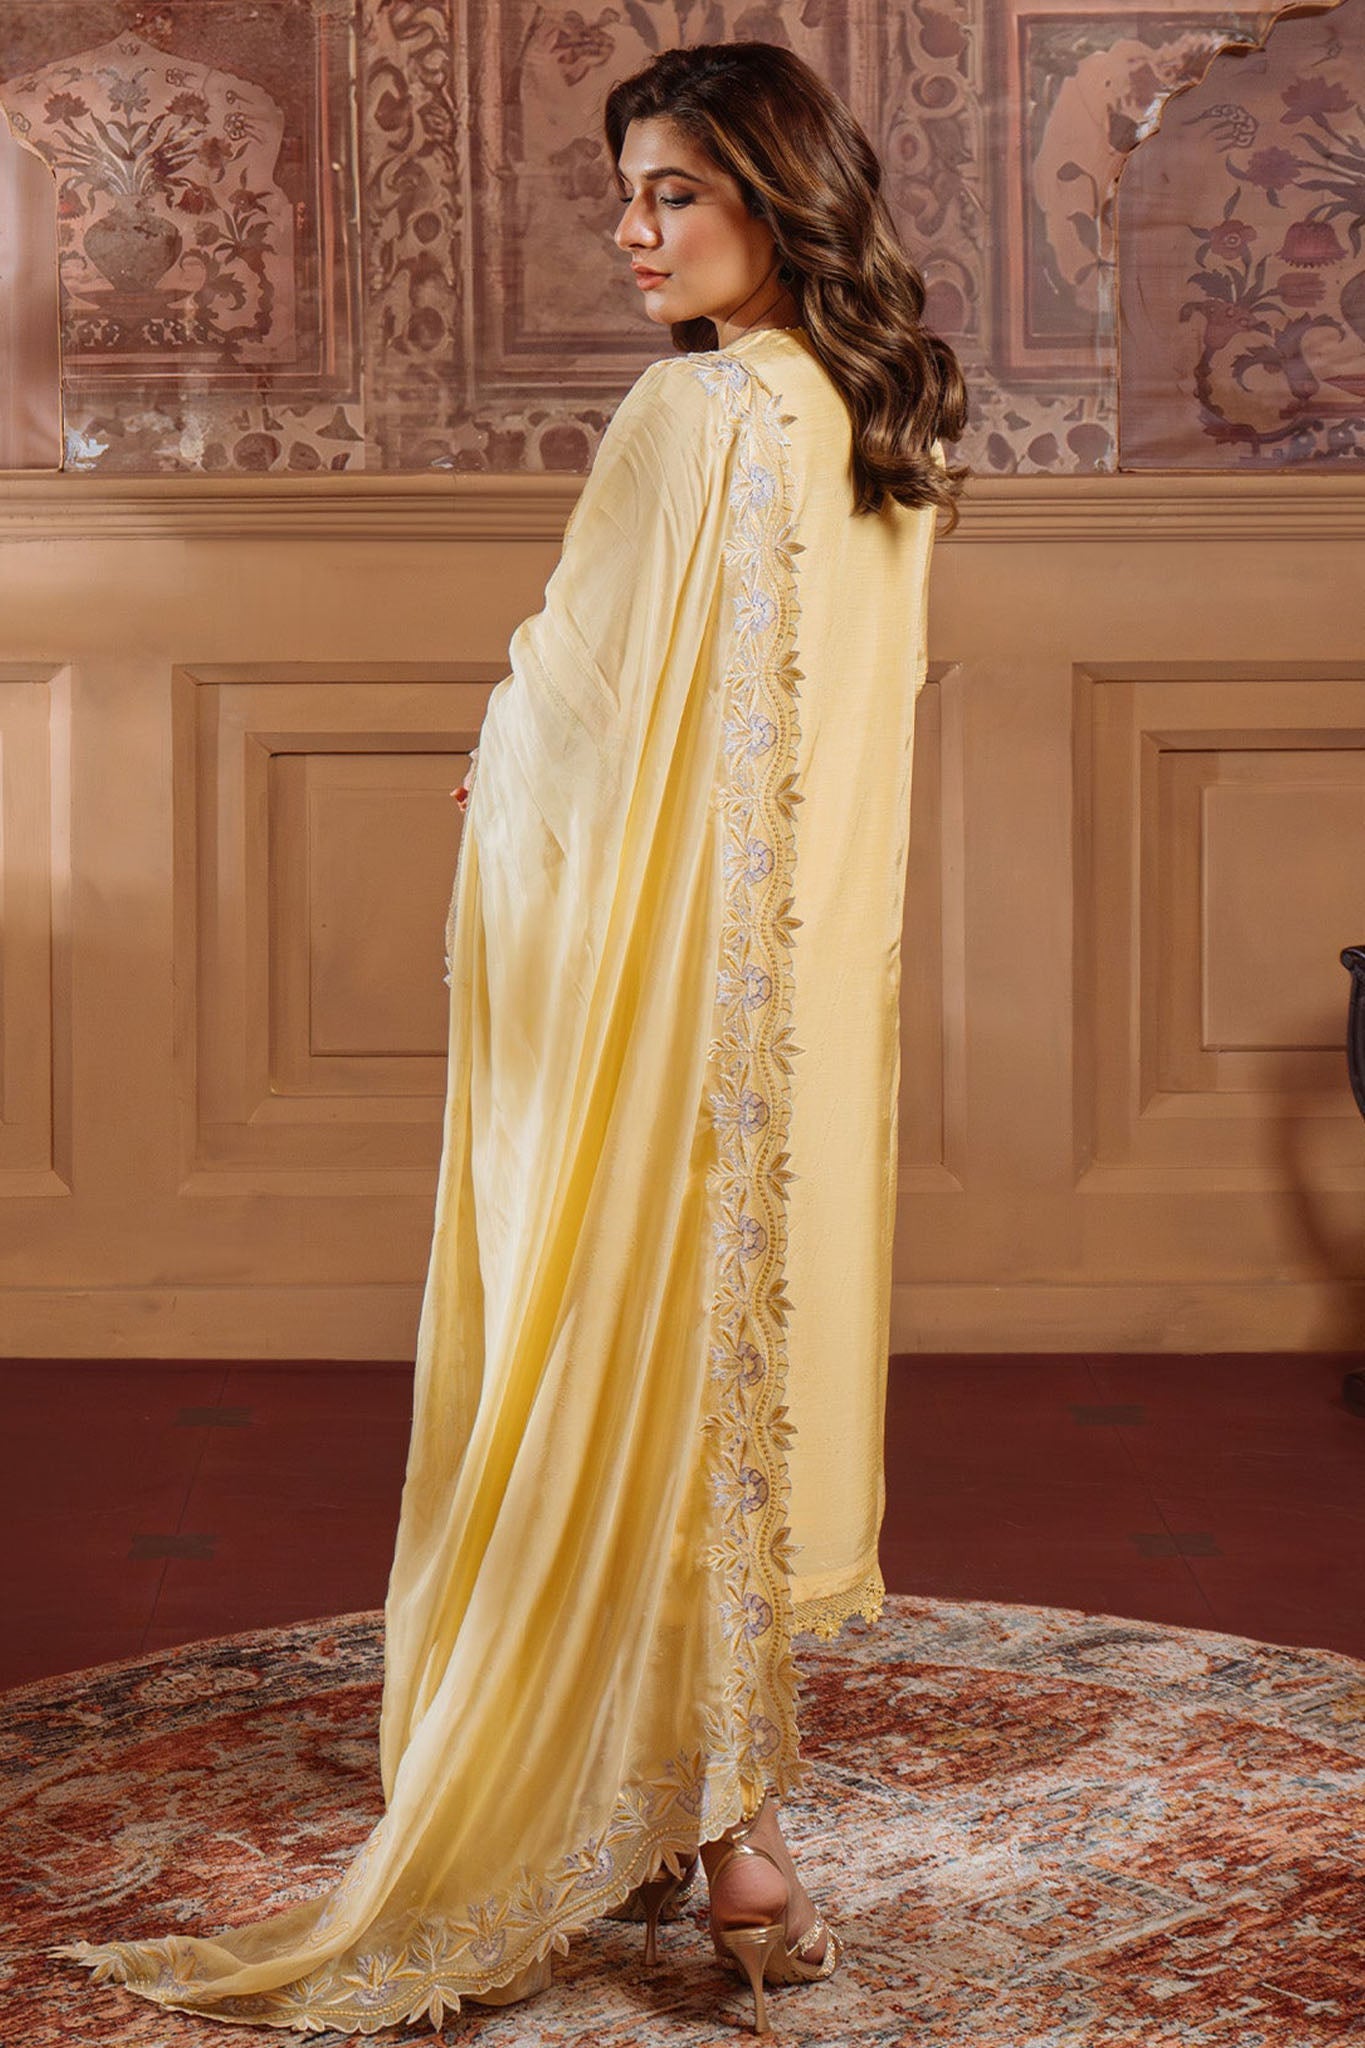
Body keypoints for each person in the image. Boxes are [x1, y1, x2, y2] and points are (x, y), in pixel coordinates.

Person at [50, 38, 966, 2040]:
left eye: (676, 192)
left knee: (621, 1358)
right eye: (622, 194)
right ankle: (726, 1837)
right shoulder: (882, 418)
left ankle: (708, 1824)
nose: (634, 232)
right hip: (800, 999)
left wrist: (506, 764)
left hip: (657, 994)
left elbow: (585, 687)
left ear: (777, 192)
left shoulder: (693, 413)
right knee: (732, 1384)